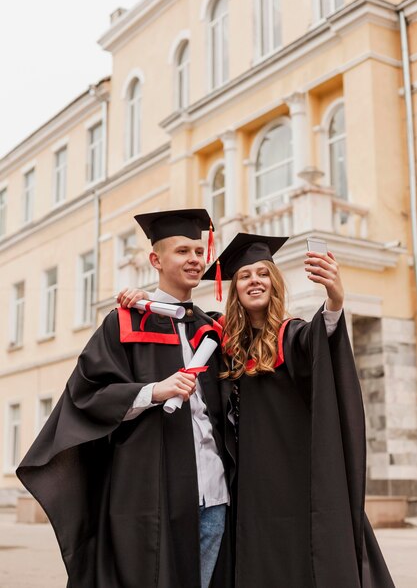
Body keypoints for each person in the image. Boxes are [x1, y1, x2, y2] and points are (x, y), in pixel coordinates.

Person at [17, 209, 233, 588]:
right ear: (156, 260)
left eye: (199, 252)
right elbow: (86, 396)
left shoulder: (211, 328)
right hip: (152, 495)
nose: (195, 260)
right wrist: (153, 391)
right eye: (183, 251)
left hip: (212, 494)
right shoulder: (125, 322)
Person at [201, 232, 395, 588]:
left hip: (293, 475)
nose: (253, 280)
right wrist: (142, 300)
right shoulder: (224, 343)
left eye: (262, 273)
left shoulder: (293, 335)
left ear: (274, 283)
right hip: (247, 482)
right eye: (244, 275)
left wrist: (334, 297)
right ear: (235, 289)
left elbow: (324, 336)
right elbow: (182, 318)